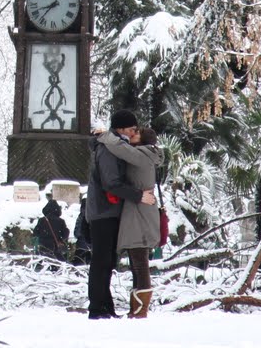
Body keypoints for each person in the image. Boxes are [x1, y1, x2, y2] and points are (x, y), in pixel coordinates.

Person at [84, 108, 156, 319]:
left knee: (106, 261)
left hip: (108, 209)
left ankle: (105, 307)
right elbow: (111, 183)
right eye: (132, 128)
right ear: (121, 128)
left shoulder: (114, 145)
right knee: (102, 260)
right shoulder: (108, 148)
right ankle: (98, 308)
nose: (134, 132)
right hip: (104, 210)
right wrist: (138, 195)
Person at [97, 126, 164, 317]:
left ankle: (141, 309)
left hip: (140, 213)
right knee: (137, 261)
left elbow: (120, 148)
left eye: (136, 133)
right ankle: (136, 308)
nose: (131, 135)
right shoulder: (146, 154)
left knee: (140, 260)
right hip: (139, 211)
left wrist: (106, 135)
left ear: (142, 140)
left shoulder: (141, 154)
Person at [33, 193, 70, 260]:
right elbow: (65, 234)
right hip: (56, 247)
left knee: (44, 263)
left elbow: (35, 232)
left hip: (43, 246)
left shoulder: (42, 220)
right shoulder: (61, 221)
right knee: (57, 264)